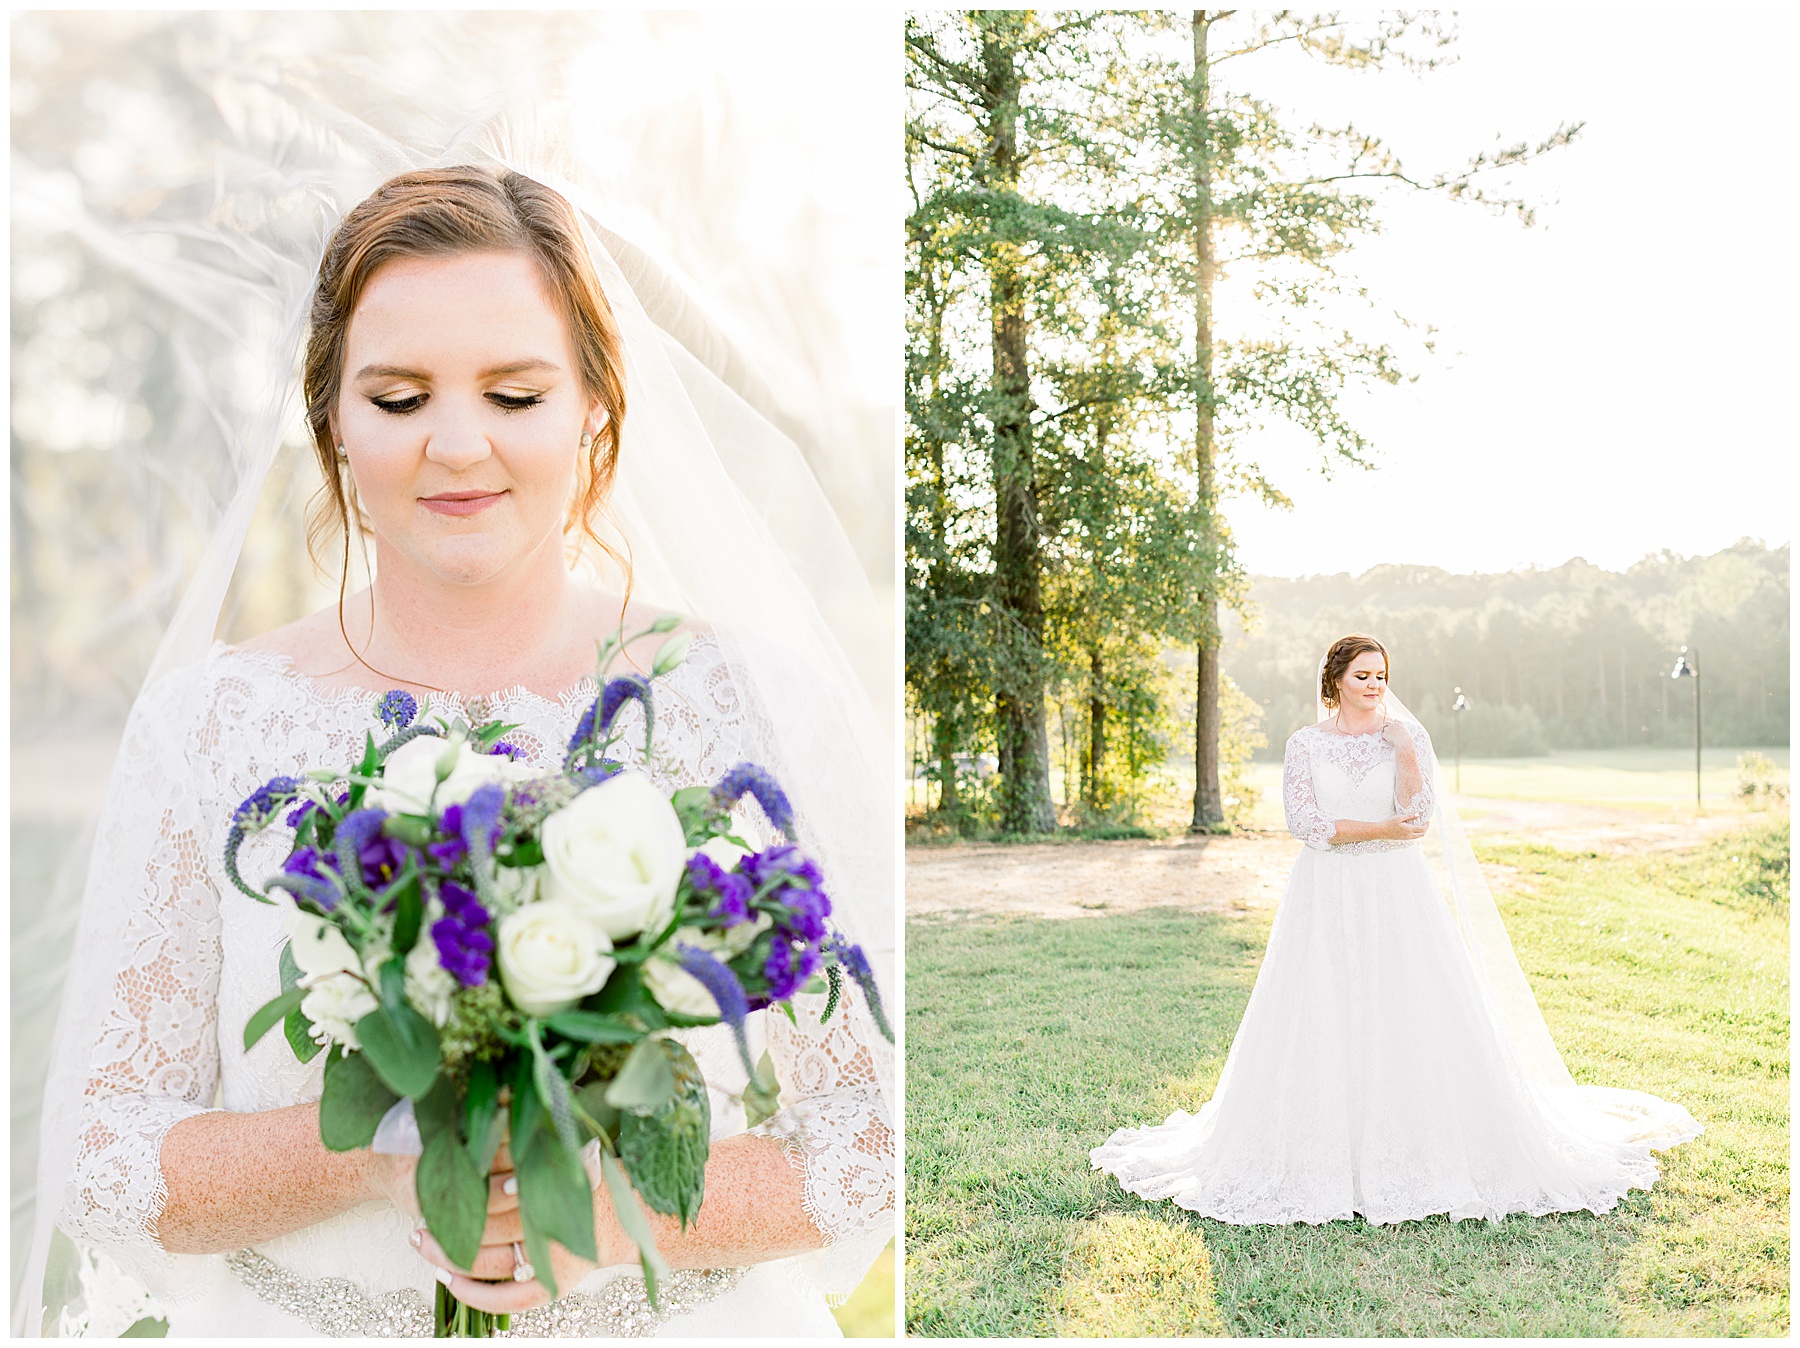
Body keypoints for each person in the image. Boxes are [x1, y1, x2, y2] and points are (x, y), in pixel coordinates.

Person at [27, 167, 893, 1336]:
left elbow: (873, 1135)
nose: (457, 444)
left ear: (594, 402)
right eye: (398, 398)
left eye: (513, 393)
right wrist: (385, 1145)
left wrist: (602, 1204)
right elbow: (107, 1154)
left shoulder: (746, 707)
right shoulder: (213, 727)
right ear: (329, 414)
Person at [1090, 633, 1699, 1226]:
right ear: (1335, 681)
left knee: (1409, 1004)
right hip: (1324, 893)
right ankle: (1325, 1150)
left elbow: (1418, 818)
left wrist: (1405, 750)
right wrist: (1377, 830)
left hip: (1398, 894)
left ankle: (1419, 1142)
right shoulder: (1305, 743)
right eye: (1363, 676)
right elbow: (1306, 823)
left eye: (1382, 676)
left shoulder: (1408, 737)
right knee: (1321, 1004)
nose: (1375, 686)